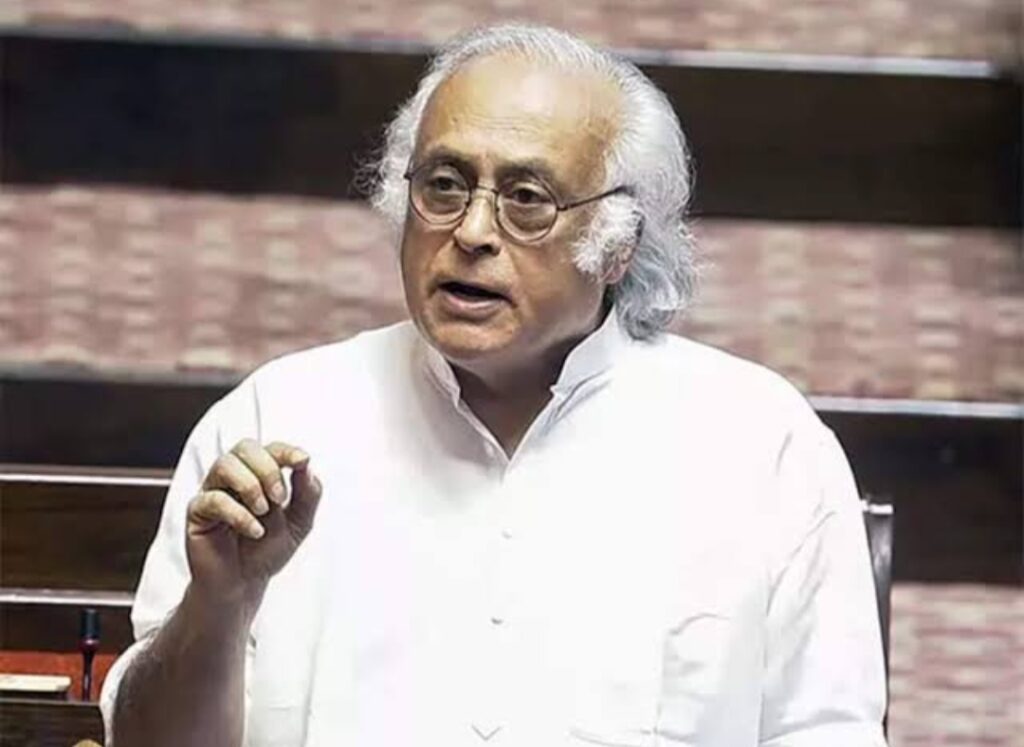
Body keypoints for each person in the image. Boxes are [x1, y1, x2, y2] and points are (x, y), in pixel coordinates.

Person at [101, 23, 888, 747]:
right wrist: (221, 604)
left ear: (619, 243)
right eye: (444, 184)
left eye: (526, 200)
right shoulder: (277, 421)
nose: (472, 232)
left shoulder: (761, 447)